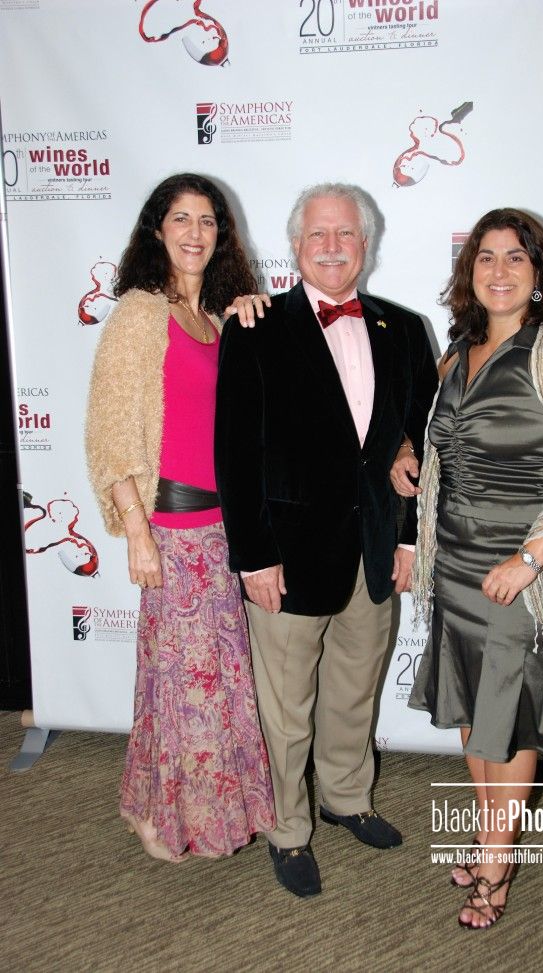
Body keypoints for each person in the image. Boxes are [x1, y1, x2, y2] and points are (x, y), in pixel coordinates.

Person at [392, 208, 543, 928]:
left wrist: (529, 559)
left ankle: (496, 863)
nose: (498, 270)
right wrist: (410, 455)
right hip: (454, 561)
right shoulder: (457, 353)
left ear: (539, 274)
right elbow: (439, 437)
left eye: (515, 257)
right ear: (470, 273)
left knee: (511, 714)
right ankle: (494, 835)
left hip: (524, 569)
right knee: (470, 707)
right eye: (485, 257)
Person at [214, 183, 437, 896]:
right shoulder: (255, 327)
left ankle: (345, 797)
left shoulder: (405, 330)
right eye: (318, 234)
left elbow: (418, 445)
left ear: (365, 244)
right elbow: (234, 454)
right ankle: (287, 828)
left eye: (346, 234)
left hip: (372, 552)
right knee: (285, 710)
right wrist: (253, 555)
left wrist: (407, 540)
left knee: (352, 691)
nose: (333, 246)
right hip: (287, 558)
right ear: (296, 245)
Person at [85, 173, 275, 861]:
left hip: (222, 532)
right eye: (181, 219)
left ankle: (155, 802)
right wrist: (137, 532)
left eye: (207, 221)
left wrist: (250, 314)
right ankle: (160, 814)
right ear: (157, 230)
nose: (195, 233)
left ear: (221, 235)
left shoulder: (219, 321)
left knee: (209, 679)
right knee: (181, 683)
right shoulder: (140, 313)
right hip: (170, 530)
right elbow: (110, 434)